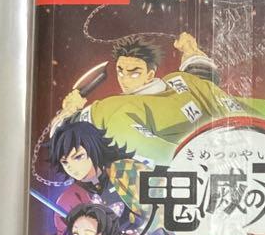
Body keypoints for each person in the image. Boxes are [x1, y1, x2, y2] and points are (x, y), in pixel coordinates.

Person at [56, 33, 243, 162]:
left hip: (224, 153)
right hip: (217, 158)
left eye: (134, 73)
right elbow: (202, 78)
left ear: (150, 75)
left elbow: (63, 129)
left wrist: (68, 113)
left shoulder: (113, 107)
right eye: (120, 72)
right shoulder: (181, 79)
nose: (124, 79)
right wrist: (190, 52)